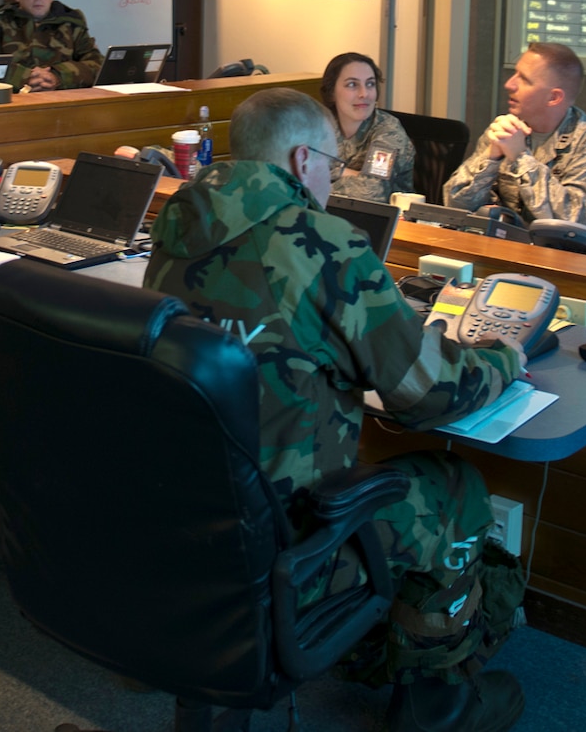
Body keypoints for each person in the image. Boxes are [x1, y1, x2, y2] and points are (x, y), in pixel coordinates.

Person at [145, 88, 527, 732]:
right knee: (454, 487)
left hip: (173, 519)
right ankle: (439, 703)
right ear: (301, 160)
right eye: (330, 162)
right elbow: (427, 394)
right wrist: (503, 358)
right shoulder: (322, 243)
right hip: (280, 542)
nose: (333, 177)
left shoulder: (180, 218)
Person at [443, 42, 586, 230]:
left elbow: (572, 222)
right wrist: (491, 157)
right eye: (515, 73)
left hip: (575, 255)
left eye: (524, 79)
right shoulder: (509, 127)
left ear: (554, 98)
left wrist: (520, 157)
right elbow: (455, 206)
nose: (509, 84)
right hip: (509, 247)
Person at [323, 51, 415, 203]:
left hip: (384, 220)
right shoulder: (319, 123)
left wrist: (325, 175)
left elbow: (372, 192)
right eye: (352, 85)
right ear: (332, 92)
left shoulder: (388, 131)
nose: (364, 93)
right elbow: (291, 173)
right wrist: (349, 174)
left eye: (370, 84)